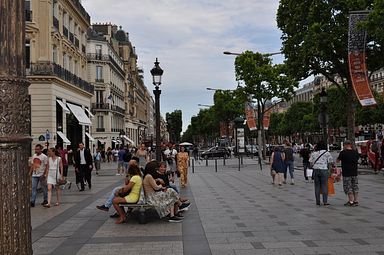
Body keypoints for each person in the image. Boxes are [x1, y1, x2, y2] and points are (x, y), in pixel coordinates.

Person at [309, 141, 334, 206]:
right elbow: (331, 162)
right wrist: (330, 170)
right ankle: (325, 201)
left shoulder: (313, 153)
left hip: (316, 170)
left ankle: (318, 201)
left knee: (317, 186)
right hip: (324, 170)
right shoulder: (327, 153)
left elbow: (311, 163)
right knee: (324, 186)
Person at [337, 140, 360, 206]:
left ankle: (351, 201)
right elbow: (357, 159)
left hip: (346, 172)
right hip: (354, 172)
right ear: (351, 145)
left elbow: (338, 161)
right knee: (355, 186)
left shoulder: (343, 153)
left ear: (345, 145)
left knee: (348, 186)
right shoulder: (355, 152)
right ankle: (355, 201)